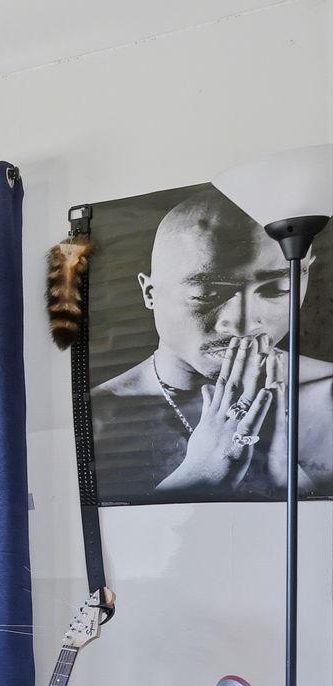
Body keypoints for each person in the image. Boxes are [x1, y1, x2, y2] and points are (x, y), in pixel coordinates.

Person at [91, 190, 330, 501]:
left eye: (279, 288)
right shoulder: (97, 418)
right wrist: (198, 477)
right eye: (205, 294)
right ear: (150, 293)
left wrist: (291, 482)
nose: (243, 324)